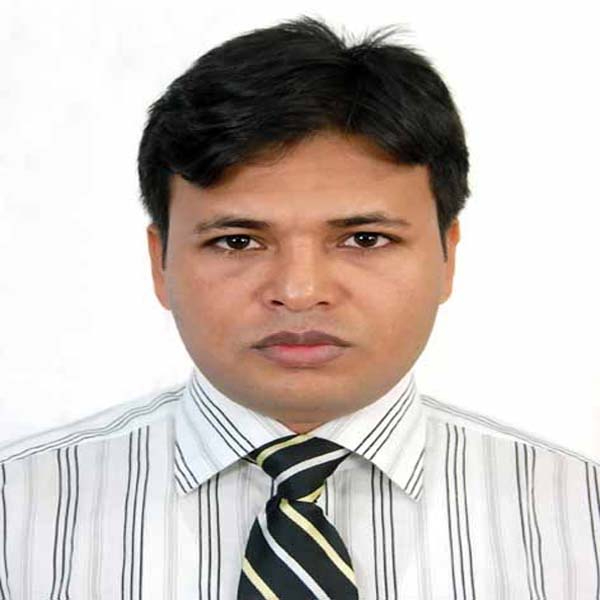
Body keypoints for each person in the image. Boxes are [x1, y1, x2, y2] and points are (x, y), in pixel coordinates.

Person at [0, 14, 598, 600]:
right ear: (161, 262)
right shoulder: (15, 513)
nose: (300, 290)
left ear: (448, 255)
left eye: (365, 238)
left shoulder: (582, 515)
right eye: (238, 241)